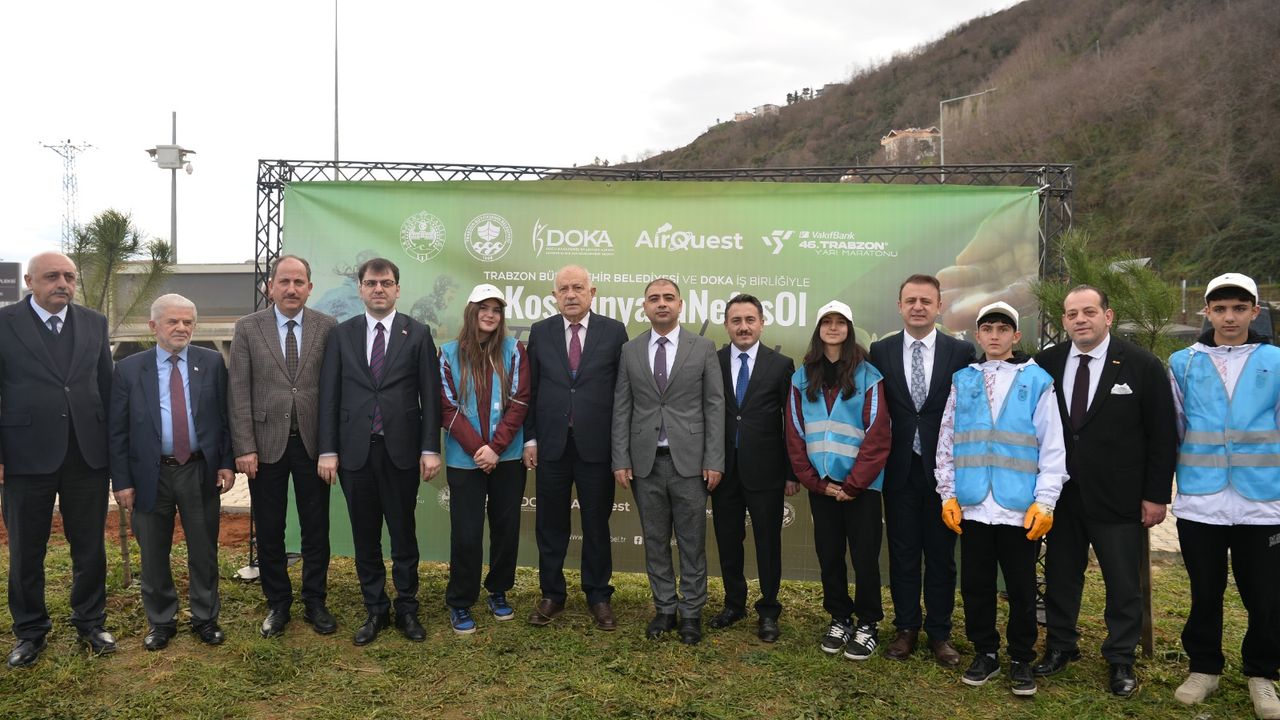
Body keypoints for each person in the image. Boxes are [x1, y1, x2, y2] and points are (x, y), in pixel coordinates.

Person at [1032, 285, 1178, 696]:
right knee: (1061, 575)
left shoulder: (1141, 364)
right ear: (1063, 321)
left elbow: (1162, 434)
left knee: (1122, 581)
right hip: (1062, 495)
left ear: (1108, 316)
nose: (1080, 320)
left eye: (1089, 311)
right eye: (1072, 314)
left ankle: (1120, 658)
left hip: (1119, 495)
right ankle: (1060, 646)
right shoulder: (1046, 363)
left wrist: (1156, 495)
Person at [935, 301, 1066, 697]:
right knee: (976, 584)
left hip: (1018, 507)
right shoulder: (963, 380)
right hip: (974, 504)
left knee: (1021, 588)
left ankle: (1021, 657)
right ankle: (986, 652)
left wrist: (1045, 501)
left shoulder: (1037, 380)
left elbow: (1052, 446)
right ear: (977, 335)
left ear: (1016, 335)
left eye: (1003, 329)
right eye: (988, 329)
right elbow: (947, 440)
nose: (995, 335)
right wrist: (948, 493)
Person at [1167, 273, 1280, 720]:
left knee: (1265, 594)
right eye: (1220, 309)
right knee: (1204, 590)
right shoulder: (1182, 363)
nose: (1229, 317)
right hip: (1201, 499)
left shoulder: (1275, 360)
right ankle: (1204, 667)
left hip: (1263, 501)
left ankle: (1262, 672)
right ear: (1207, 312)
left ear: (1255, 312)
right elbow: (1174, 427)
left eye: (1238, 308)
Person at [317, 257, 443, 646]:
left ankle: (407, 608)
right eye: (371, 283)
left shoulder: (417, 333)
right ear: (360, 289)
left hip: (401, 451)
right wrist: (327, 450)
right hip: (355, 454)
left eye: (386, 283)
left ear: (397, 289)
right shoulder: (341, 334)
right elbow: (329, 396)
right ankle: (375, 608)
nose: (378, 289)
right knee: (365, 536)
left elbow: (430, 396)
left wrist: (430, 448)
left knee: (403, 534)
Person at [0, 252, 115, 667]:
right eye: (52, 276)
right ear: (30, 281)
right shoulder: (5, 323)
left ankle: (90, 621)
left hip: (87, 455)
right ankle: (30, 631)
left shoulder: (94, 323)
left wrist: (114, 453)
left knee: (89, 546)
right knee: (26, 550)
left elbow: (106, 386)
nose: (62, 283)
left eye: (69, 276)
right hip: (24, 457)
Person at [109, 294, 236, 651]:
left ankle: (205, 618)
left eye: (188, 322)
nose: (181, 328)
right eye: (173, 321)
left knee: (204, 549)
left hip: (198, 471)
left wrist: (226, 462)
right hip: (149, 475)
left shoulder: (211, 363)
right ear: (154, 326)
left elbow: (224, 417)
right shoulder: (129, 369)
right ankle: (161, 621)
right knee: (153, 552)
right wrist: (122, 481)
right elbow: (117, 431)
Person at [229, 255, 339, 638]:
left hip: (313, 445)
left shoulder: (327, 327)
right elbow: (238, 389)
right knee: (270, 528)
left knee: (316, 528)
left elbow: (334, 390)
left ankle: (315, 601)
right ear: (270, 287)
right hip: (264, 446)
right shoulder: (248, 327)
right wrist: (244, 446)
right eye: (284, 282)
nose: (291, 289)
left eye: (299, 282)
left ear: (310, 287)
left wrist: (331, 447)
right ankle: (278, 603)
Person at [869, 274, 974, 666]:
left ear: (939, 307)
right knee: (903, 553)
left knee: (942, 555)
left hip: (944, 472)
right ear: (899, 306)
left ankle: (940, 633)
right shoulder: (880, 351)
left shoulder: (960, 352)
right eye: (910, 300)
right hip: (898, 469)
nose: (918, 307)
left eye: (926, 301)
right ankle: (906, 628)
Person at [612, 278, 724, 645]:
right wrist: (620, 458)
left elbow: (714, 406)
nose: (661, 303)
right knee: (655, 540)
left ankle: (691, 612)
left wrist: (714, 459)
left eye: (668, 298)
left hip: (690, 464)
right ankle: (664, 608)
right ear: (644, 307)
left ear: (680, 305)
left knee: (692, 542)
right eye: (654, 298)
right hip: (645, 463)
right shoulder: (630, 350)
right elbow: (622, 407)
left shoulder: (703, 347)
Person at [523, 266, 628, 630]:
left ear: (591, 292)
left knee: (596, 524)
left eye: (578, 288)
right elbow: (531, 390)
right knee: (550, 525)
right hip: (551, 445)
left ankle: (598, 595)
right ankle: (552, 594)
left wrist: (620, 447)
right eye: (563, 289)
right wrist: (531, 439)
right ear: (554, 296)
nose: (570, 294)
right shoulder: (540, 332)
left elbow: (622, 393)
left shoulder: (614, 332)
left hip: (597, 447)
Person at [784, 300, 891, 660]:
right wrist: (815, 482)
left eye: (840, 322)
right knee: (829, 555)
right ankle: (839, 617)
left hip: (861, 488)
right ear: (818, 330)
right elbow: (795, 433)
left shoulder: (869, 375)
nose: (833, 328)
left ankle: (868, 623)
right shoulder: (802, 378)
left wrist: (854, 484)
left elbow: (878, 434)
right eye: (826, 322)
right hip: (823, 486)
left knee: (864, 557)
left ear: (849, 329)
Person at [439, 284, 530, 634]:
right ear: (471, 311)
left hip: (507, 457)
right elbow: (447, 407)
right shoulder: (448, 353)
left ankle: (498, 590)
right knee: (466, 533)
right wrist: (480, 449)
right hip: (466, 460)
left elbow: (520, 400)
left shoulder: (514, 350)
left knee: (506, 529)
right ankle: (461, 600)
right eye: (483, 308)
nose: (490, 314)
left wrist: (496, 448)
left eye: (496, 309)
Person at [708, 294, 797, 643]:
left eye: (749, 320)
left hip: (767, 471)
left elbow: (791, 422)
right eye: (736, 321)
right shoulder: (713, 361)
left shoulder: (781, 364)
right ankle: (734, 604)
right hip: (723, 470)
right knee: (728, 541)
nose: (743, 327)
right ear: (726, 325)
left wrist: (791, 472)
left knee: (767, 543)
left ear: (761, 323)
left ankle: (769, 610)